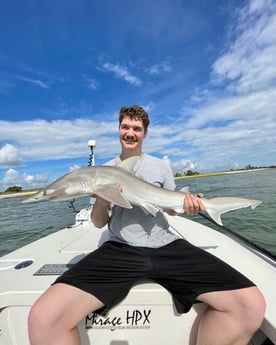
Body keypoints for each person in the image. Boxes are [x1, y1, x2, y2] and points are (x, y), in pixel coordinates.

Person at [28, 105, 265, 345]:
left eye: (136, 128)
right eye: (125, 127)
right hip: (121, 247)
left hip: (166, 244)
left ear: (145, 133)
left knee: (250, 305)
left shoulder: (160, 166)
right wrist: (102, 195)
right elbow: (99, 223)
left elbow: (171, 208)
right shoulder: (101, 172)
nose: (130, 132)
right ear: (118, 129)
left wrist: (191, 205)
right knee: (43, 318)